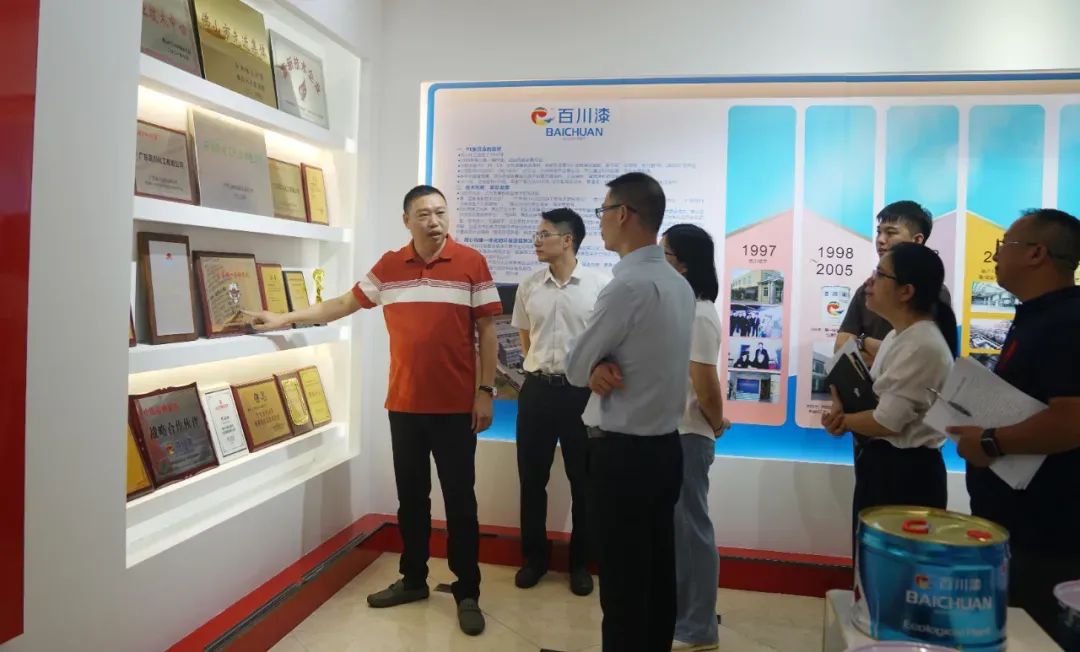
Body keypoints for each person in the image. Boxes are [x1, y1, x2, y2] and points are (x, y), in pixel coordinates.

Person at [245, 185, 501, 636]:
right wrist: (285, 318)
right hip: (404, 405)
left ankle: (468, 591)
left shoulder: (471, 262)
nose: (435, 221)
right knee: (412, 499)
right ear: (407, 220)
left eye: (441, 212)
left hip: (456, 408)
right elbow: (344, 303)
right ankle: (414, 579)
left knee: (461, 502)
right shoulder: (390, 266)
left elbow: (488, 330)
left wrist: (485, 392)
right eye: (424, 214)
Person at [564, 172, 694, 652]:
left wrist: (593, 365)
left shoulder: (627, 287)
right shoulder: (677, 285)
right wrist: (599, 365)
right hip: (664, 450)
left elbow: (574, 366)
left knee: (622, 587)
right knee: (657, 576)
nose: (599, 221)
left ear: (623, 214)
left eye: (602, 211)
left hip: (622, 458)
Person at [947, 209, 1080, 646]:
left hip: (1047, 533)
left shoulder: (1067, 322)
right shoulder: (1039, 317)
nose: (996, 256)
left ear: (1037, 254)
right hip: (1017, 524)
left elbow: (1073, 418)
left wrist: (990, 441)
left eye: (1005, 246)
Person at [822, 243, 957, 542]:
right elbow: (874, 400)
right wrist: (843, 409)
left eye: (880, 275)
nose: (869, 282)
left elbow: (886, 421)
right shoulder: (899, 336)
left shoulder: (922, 344)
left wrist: (843, 421)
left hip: (906, 477)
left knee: (895, 565)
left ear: (905, 291)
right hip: (883, 467)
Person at [511, 208, 608, 596]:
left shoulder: (600, 286)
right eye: (537, 234)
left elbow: (607, 342)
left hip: (580, 394)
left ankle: (581, 563)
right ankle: (534, 559)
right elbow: (524, 339)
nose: (537, 241)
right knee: (531, 479)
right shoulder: (529, 285)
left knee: (584, 482)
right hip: (536, 391)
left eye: (544, 234)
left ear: (567, 240)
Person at [662, 224, 729, 652]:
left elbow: (706, 386)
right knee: (679, 533)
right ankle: (684, 616)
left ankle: (699, 628)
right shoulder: (683, 308)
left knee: (692, 533)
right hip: (676, 432)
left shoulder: (701, 312)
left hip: (690, 435)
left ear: (683, 264)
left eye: (664, 254)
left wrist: (717, 424)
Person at [836, 201, 950, 366]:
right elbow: (840, 347)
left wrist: (863, 342)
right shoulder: (867, 290)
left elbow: (919, 356)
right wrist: (881, 351)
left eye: (890, 233)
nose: (880, 240)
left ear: (917, 240)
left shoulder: (934, 292)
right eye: (879, 232)